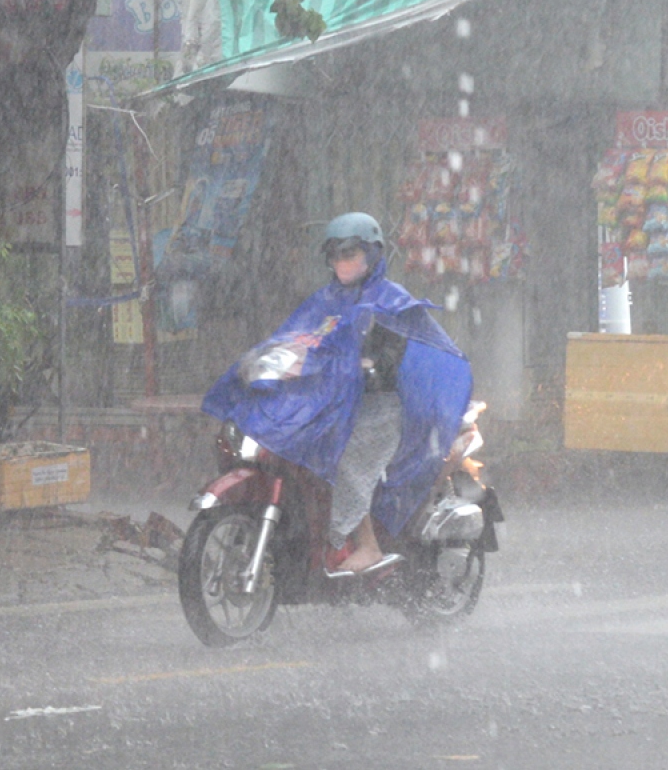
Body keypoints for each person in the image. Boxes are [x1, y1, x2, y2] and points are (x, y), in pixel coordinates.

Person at [202, 212, 473, 574]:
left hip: (379, 407)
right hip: (331, 402)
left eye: (350, 252)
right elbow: (297, 339)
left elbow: (394, 357)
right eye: (335, 254)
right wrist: (262, 361)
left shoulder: (389, 302)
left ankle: (368, 546)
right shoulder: (324, 301)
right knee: (283, 438)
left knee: (341, 455)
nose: (342, 261)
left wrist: (370, 366)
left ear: (373, 254)